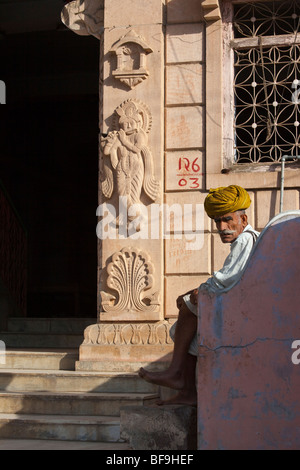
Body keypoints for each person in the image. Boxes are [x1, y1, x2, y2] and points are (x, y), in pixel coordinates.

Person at [138, 185, 260, 406]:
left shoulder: (245, 240)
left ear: (243, 219)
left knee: (188, 306)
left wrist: (196, 293)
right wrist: (196, 291)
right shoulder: (246, 240)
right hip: (241, 306)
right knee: (189, 324)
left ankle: (176, 372)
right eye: (217, 222)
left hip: (244, 314)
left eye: (227, 220)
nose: (222, 227)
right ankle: (188, 392)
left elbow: (226, 280)